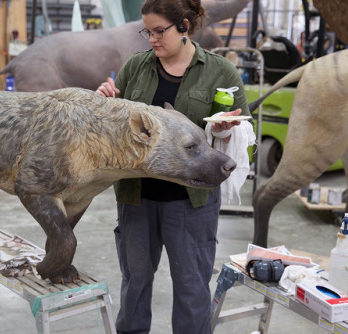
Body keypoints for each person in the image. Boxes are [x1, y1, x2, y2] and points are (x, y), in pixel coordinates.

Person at [96, 0, 251, 333]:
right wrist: (105, 100)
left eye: (158, 31)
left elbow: (245, 130)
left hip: (191, 203)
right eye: (146, 31)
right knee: (134, 283)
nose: (151, 39)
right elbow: (116, 124)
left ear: (183, 26)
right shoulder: (136, 67)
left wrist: (224, 129)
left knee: (192, 287)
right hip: (137, 197)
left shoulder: (220, 71)